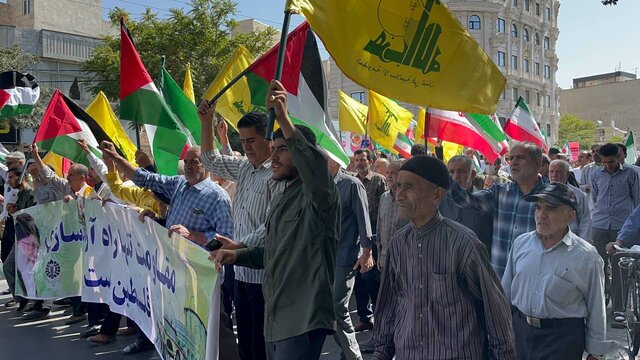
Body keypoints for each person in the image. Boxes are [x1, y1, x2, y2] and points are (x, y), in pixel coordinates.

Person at [211, 80, 339, 360]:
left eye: (283, 149)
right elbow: (274, 252)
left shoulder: (320, 195)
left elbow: (316, 169)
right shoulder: (282, 197)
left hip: (303, 317)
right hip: (276, 314)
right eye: (275, 148)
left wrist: (282, 117)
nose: (275, 156)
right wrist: (237, 256)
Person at [100, 141, 236, 356]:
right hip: (174, 271)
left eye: (195, 162)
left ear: (207, 166)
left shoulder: (217, 197)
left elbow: (225, 239)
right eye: (187, 162)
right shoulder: (179, 185)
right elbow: (144, 178)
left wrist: (193, 236)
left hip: (201, 275)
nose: (189, 166)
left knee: (213, 329)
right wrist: (116, 159)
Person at [373, 156, 516, 359]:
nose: (399, 195)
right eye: (398, 186)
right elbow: (390, 304)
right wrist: (381, 352)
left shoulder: (463, 244)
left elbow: (495, 311)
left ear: (437, 195)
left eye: (409, 187)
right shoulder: (398, 243)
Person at [198, 102, 283, 360]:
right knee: (244, 341)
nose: (246, 147)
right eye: (243, 141)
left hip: (263, 274)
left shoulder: (278, 175)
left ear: (269, 140)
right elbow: (210, 160)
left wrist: (238, 246)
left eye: (252, 140)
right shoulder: (245, 166)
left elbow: (270, 226)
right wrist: (206, 122)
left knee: (261, 345)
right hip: (241, 271)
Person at [502, 182, 611, 360]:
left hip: (562, 339)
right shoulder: (521, 244)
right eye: (538, 208)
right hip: (520, 332)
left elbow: (596, 307)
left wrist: (596, 352)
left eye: (551, 209)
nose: (541, 216)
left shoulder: (586, 256)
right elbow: (505, 293)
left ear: (570, 216)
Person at [450, 142, 547, 276]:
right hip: (499, 280)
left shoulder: (550, 197)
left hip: (533, 280)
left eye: (520, 157)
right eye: (511, 158)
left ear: (537, 163)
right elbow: (468, 201)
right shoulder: (499, 192)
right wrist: (445, 179)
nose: (513, 162)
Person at [328, 157, 374, 360]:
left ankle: (353, 355)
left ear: (335, 161)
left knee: (337, 308)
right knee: (327, 310)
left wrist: (367, 252)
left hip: (345, 256)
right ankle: (347, 353)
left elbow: (363, 219)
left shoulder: (352, 185)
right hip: (323, 257)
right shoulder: (319, 185)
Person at [590, 143, 640, 315]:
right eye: (604, 163)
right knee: (599, 266)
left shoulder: (631, 174)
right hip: (599, 225)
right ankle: (601, 305)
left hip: (622, 228)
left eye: (611, 162)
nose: (608, 166)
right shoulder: (596, 174)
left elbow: (637, 200)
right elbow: (596, 197)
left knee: (621, 270)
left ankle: (618, 309)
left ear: (618, 157)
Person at [352, 148, 386, 332]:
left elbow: (384, 209)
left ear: (370, 161)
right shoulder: (352, 181)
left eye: (362, 159)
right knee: (357, 278)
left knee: (371, 277)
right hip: (355, 235)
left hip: (372, 235)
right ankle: (364, 317)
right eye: (356, 160)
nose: (359, 163)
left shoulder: (378, 180)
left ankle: (379, 316)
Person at [440, 155, 493, 252]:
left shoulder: (484, 200)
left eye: (461, 171)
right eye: (451, 172)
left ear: (472, 174)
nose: (455, 176)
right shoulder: (440, 201)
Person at [2, 168, 36, 313]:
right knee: (9, 267)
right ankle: (21, 297)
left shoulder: (30, 193)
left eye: (11, 177)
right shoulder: (19, 194)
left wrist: (16, 211)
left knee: (29, 270)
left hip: (29, 238)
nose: (9, 181)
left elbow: (31, 215)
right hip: (21, 238)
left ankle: (33, 300)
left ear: (21, 177)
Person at [548, 160, 591, 240]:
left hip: (572, 240)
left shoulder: (577, 194)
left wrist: (583, 242)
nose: (554, 175)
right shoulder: (543, 191)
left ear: (567, 174)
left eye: (558, 172)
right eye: (551, 171)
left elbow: (585, 220)